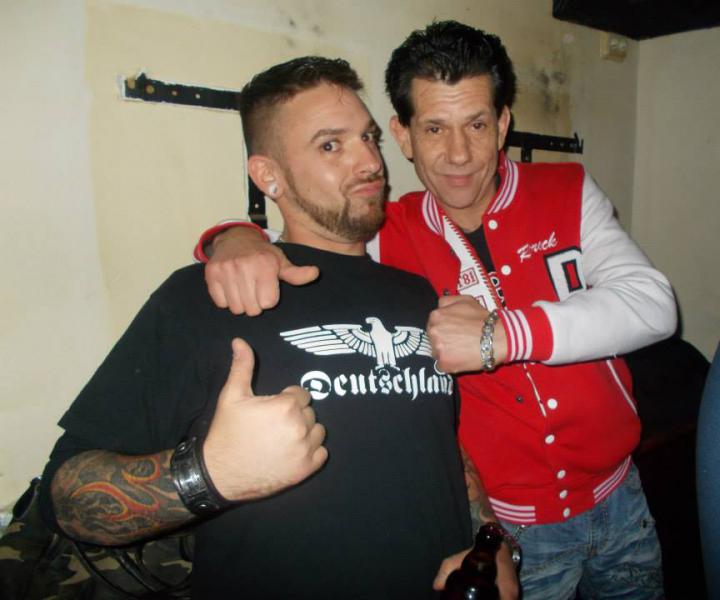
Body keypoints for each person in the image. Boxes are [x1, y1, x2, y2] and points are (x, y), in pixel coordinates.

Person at [197, 21, 678, 599]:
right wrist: (233, 237)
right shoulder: (385, 233)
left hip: (622, 498)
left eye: (476, 124)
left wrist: (500, 335)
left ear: (502, 124)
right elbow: (299, 239)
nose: (458, 154)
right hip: (510, 533)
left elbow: (654, 305)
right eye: (434, 128)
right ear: (402, 135)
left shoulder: (567, 189)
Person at [38, 56, 519, 599]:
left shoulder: (417, 294)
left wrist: (490, 541)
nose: (370, 162)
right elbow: (66, 494)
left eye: (367, 137)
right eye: (331, 145)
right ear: (269, 176)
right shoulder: (202, 298)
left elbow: (441, 445)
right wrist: (210, 475)